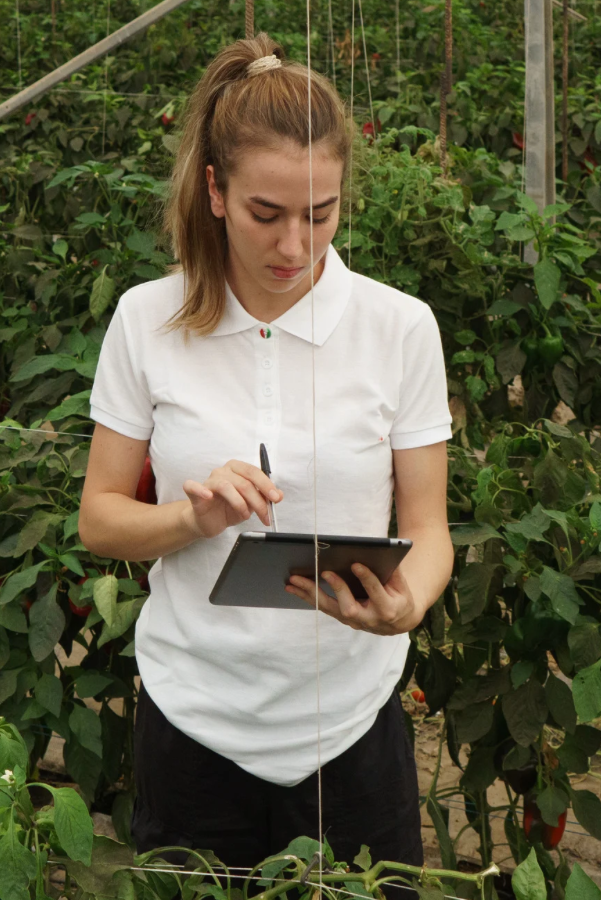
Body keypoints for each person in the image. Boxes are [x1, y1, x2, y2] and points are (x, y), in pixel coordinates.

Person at [76, 34, 454, 871]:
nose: (294, 247)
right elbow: (100, 519)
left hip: (351, 728)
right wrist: (188, 516)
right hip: (194, 724)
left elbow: (430, 528)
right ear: (214, 191)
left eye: (320, 214)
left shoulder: (400, 328)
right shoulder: (149, 320)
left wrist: (407, 606)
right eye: (266, 214)